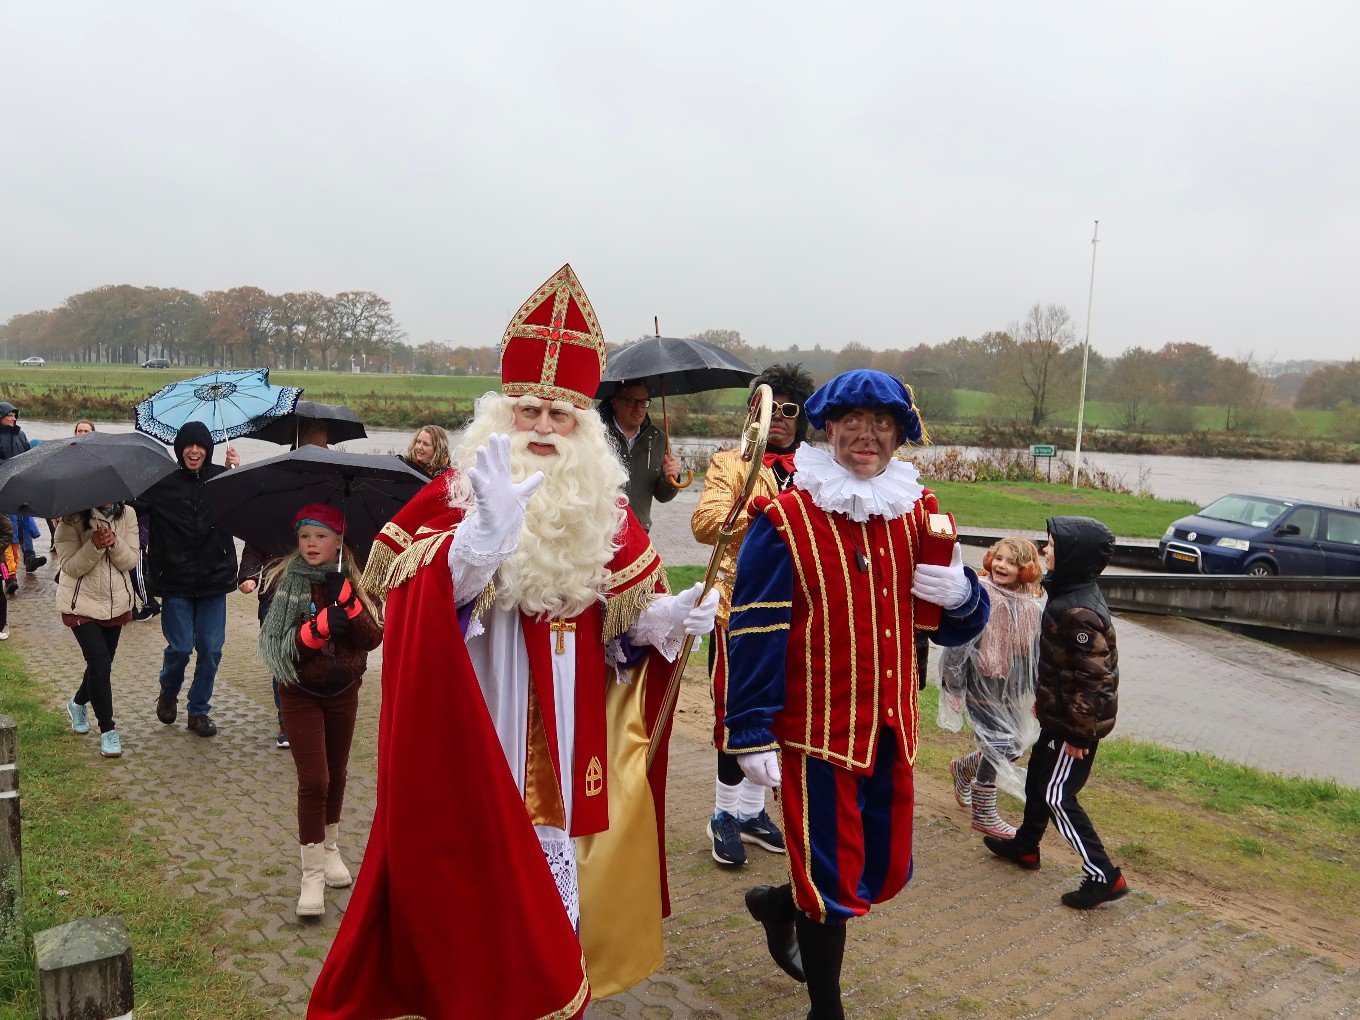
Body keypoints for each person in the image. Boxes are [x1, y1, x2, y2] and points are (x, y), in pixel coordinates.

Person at [308, 264, 720, 1020]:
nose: (540, 427)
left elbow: (615, 631)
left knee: (552, 881)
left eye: (559, 417)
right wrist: (481, 540)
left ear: (583, 430)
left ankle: (547, 991)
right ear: (500, 417)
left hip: (565, 737)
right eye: (527, 410)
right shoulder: (453, 497)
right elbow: (417, 611)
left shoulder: (606, 511)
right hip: (479, 724)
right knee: (475, 882)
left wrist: (666, 619)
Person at [724, 369, 990, 1020]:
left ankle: (777, 904)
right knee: (831, 880)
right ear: (830, 430)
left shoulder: (919, 510)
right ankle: (827, 1007)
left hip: (892, 725)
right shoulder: (785, 518)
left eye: (880, 424)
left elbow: (957, 621)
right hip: (813, 730)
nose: (865, 436)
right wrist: (750, 725)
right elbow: (756, 624)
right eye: (851, 423)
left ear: (899, 434)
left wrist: (962, 594)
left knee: (884, 865)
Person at [691, 363, 815, 867]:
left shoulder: (815, 470)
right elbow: (704, 523)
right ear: (754, 414)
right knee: (735, 712)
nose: (780, 418)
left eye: (790, 410)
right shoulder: (731, 463)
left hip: (794, 610)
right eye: (770, 409)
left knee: (775, 714)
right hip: (736, 608)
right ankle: (723, 813)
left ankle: (751, 811)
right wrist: (763, 509)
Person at [983, 516, 1129, 910]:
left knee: (1057, 794)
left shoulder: (1080, 610)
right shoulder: (1067, 594)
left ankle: (1104, 876)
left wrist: (1079, 735)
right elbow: (1063, 668)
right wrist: (1047, 702)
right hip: (1058, 716)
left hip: (1076, 727)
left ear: (1072, 555)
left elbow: (1094, 680)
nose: (1045, 550)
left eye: (1051, 545)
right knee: (1038, 780)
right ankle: (1026, 847)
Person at [258, 504, 381, 917]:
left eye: (321, 536)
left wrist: (347, 601)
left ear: (339, 541)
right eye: (305, 536)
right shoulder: (288, 582)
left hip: (344, 692)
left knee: (339, 773)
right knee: (314, 780)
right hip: (300, 694)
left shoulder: (354, 581)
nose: (311, 544)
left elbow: (372, 638)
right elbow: (277, 647)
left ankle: (330, 850)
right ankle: (311, 876)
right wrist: (317, 630)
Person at [135, 421, 240, 737]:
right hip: (174, 580)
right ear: (180, 449)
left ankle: (198, 711)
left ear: (208, 449)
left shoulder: (223, 479)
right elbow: (126, 505)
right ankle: (168, 690)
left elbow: (248, 509)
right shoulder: (161, 484)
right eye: (188, 445)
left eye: (201, 446)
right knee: (180, 647)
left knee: (211, 648)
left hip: (214, 579)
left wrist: (237, 474)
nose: (194, 451)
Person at [939, 536, 1044, 837]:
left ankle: (964, 768)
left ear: (1026, 569)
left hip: (1011, 689)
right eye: (999, 558)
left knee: (1013, 744)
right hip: (980, 681)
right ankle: (984, 810)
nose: (1002, 565)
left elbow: (1034, 656)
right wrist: (953, 687)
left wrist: (1036, 692)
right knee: (999, 743)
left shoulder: (1030, 605)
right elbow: (958, 647)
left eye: (1011, 562)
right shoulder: (981, 594)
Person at [240, 418, 334, 749]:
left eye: (327, 447)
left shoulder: (334, 492)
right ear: (302, 446)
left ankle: (313, 717)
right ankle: (287, 723)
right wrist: (249, 574)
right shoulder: (275, 488)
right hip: (277, 592)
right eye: (318, 447)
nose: (324, 453)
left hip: (319, 591)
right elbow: (255, 541)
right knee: (283, 656)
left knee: (317, 657)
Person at [55, 501, 140, 758]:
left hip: (116, 604)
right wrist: (93, 545)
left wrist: (114, 542)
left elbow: (131, 561)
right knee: (100, 665)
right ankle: (108, 730)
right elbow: (69, 567)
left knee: (100, 666)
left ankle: (78, 702)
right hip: (81, 605)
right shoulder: (70, 518)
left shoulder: (129, 514)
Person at [599, 380, 681, 532]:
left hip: (639, 530)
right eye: (631, 401)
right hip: (599, 530)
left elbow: (663, 496)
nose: (639, 408)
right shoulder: (595, 434)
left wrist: (670, 478)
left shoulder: (658, 438)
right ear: (615, 402)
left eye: (643, 402)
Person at [0, 402, 47, 575]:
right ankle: (9, 575)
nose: (13, 418)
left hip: (21, 485)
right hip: (3, 487)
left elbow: (29, 456)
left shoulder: (21, 434)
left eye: (15, 415)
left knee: (25, 520)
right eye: (9, 415)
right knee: (8, 528)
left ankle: (29, 557)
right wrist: (9, 467)